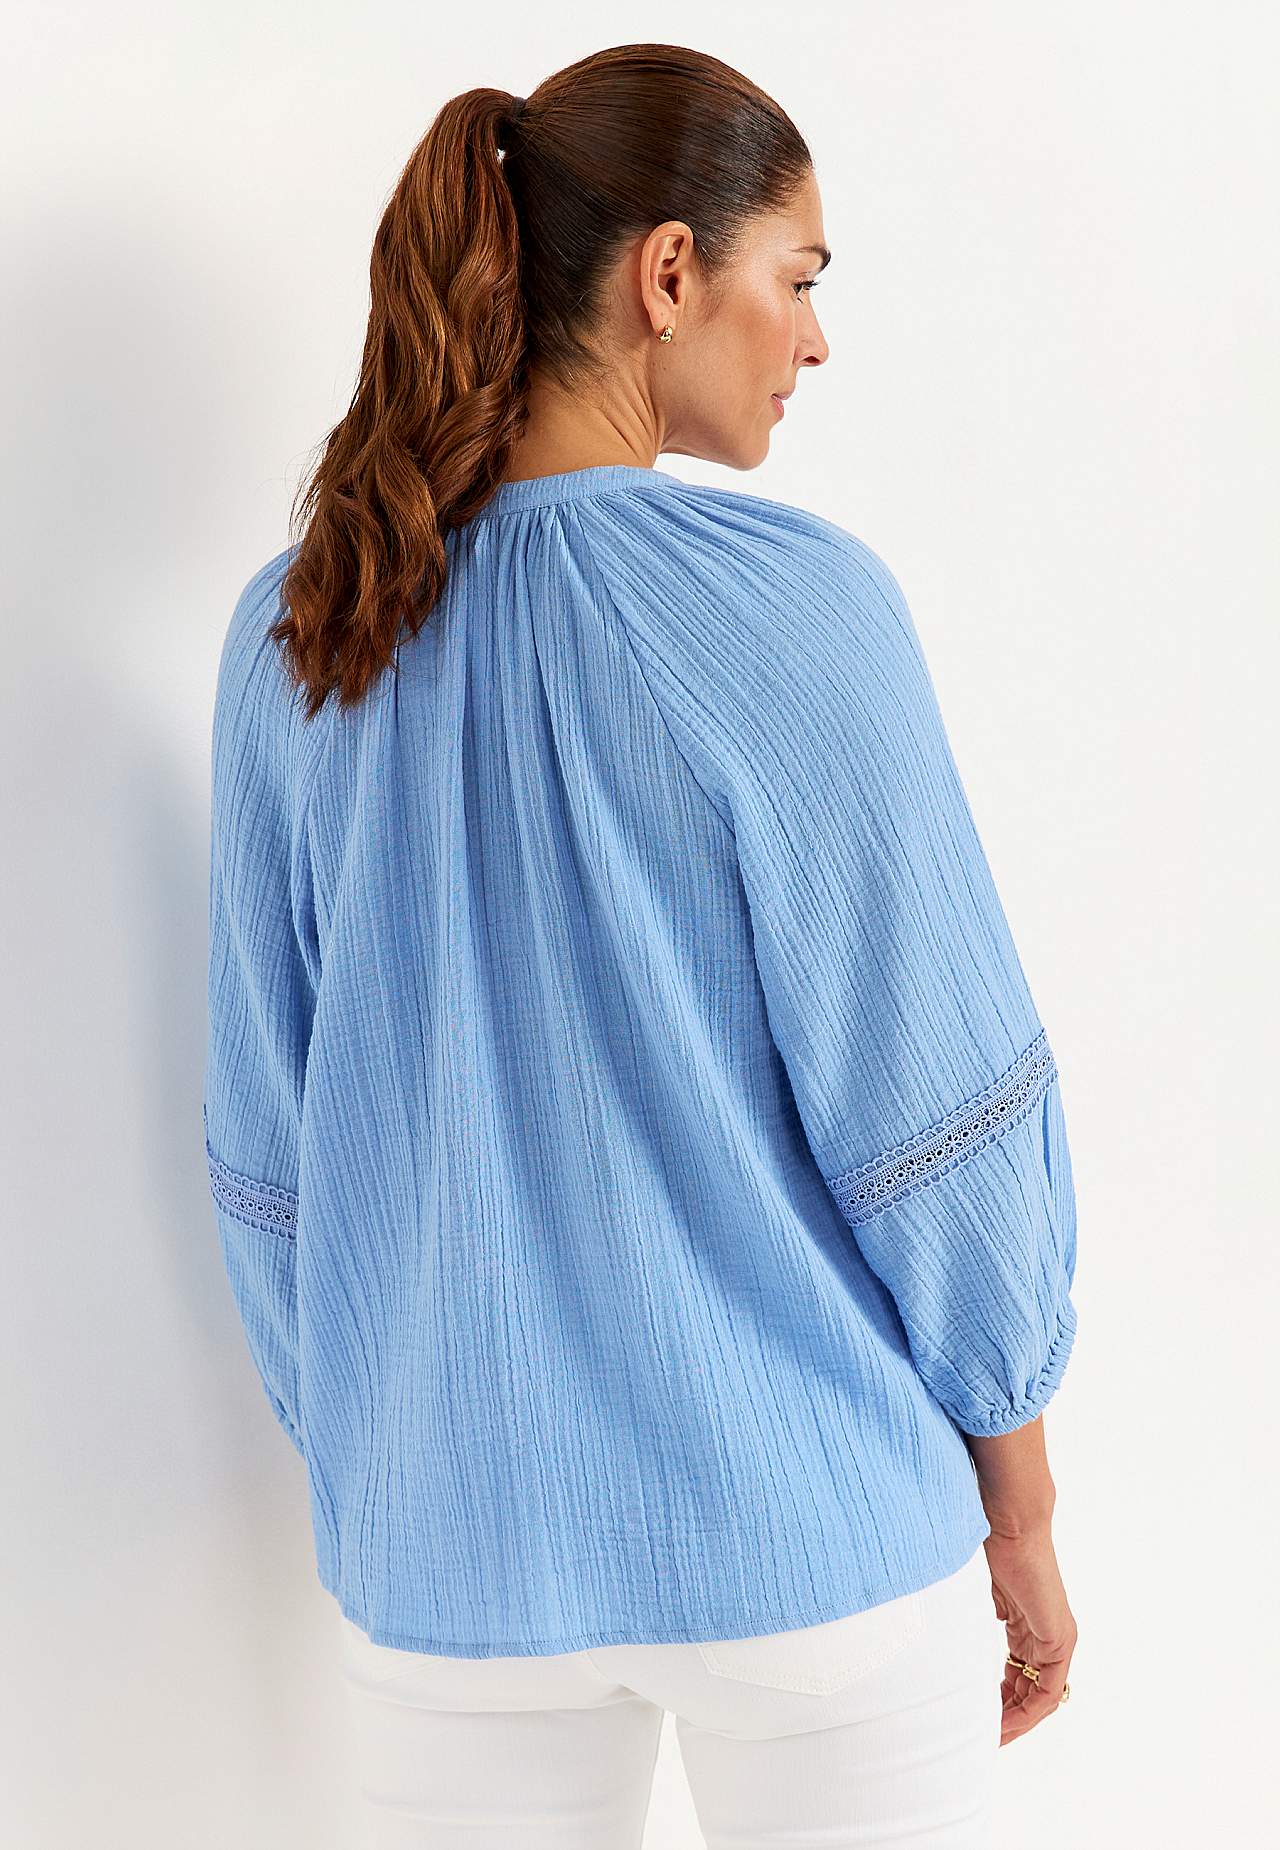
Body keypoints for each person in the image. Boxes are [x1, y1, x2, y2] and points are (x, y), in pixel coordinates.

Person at [203, 42, 1080, 1850]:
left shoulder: (305, 625)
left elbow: (270, 1157)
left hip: (445, 1562)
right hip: (811, 1542)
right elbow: (933, 1110)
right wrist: (1023, 1501)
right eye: (799, 278)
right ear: (669, 272)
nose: (813, 340)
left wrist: (392, 1445)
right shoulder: (797, 607)